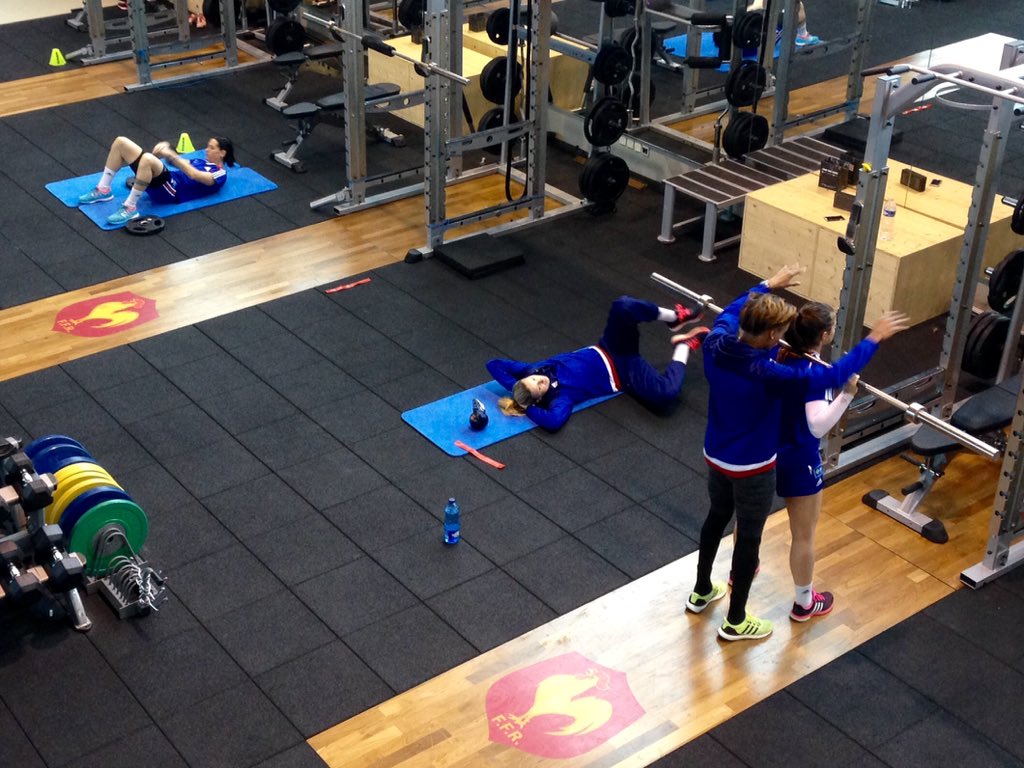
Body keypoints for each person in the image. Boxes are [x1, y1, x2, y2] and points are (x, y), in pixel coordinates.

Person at [685, 264, 908, 642]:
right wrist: (874, 339)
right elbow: (832, 377)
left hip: (715, 455)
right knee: (751, 539)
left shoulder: (717, 341)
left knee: (717, 519)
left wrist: (768, 284)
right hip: (752, 466)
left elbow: (731, 310)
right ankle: (736, 621)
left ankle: (702, 590)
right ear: (771, 333)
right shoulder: (768, 372)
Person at [486, 296, 709, 432]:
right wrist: (527, 407)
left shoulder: (530, 370)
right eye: (539, 387)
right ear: (540, 397)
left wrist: (515, 389)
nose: (540, 379)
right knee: (666, 394)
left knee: (623, 305)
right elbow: (553, 422)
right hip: (625, 373)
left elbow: (493, 364)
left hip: (609, 347)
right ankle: (685, 346)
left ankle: (675, 318)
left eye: (534, 379)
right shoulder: (561, 399)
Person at [776, 302, 858, 622]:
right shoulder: (816, 373)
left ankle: (739, 572)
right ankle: (804, 603)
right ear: (824, 335)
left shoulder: (777, 354)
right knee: (804, 535)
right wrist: (847, 393)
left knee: (748, 519)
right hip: (799, 458)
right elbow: (818, 426)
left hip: (765, 451)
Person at [77, 135, 235, 226]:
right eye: (208, 146)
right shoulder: (202, 162)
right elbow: (179, 163)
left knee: (147, 159)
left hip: (172, 191)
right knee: (121, 142)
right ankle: (103, 189)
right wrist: (166, 150)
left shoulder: (220, 174)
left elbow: (194, 175)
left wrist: (169, 155)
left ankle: (130, 208)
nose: (207, 149)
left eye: (212, 148)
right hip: (166, 181)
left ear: (222, 153)